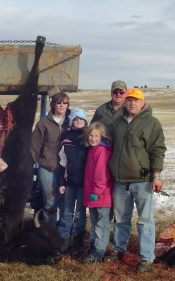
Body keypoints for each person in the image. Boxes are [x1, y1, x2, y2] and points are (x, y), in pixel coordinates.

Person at [105, 88, 166, 272]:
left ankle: (147, 257)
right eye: (129, 99)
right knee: (121, 219)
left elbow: (158, 151)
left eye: (136, 100)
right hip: (120, 181)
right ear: (125, 102)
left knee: (144, 220)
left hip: (142, 181)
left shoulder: (152, 123)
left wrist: (156, 176)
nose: (132, 103)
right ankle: (118, 250)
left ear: (142, 103)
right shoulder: (117, 123)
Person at [30, 92, 70, 227]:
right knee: (50, 204)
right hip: (48, 168)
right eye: (59, 102)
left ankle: (63, 239)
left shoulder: (72, 121)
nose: (62, 105)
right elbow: (34, 146)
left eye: (65, 103)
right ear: (53, 104)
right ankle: (49, 233)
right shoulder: (44, 123)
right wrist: (28, 165)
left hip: (67, 171)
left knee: (66, 205)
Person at [81, 122, 114, 263]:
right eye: (90, 135)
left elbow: (101, 174)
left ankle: (98, 252)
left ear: (102, 136)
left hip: (101, 196)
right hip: (93, 195)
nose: (93, 139)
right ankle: (93, 248)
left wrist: (97, 191)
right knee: (94, 224)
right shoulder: (92, 150)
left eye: (96, 136)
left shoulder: (102, 151)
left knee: (101, 225)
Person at [57, 107, 88, 256]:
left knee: (81, 214)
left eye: (81, 119)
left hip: (83, 183)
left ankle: (78, 242)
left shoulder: (89, 137)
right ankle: (63, 241)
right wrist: (61, 182)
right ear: (72, 122)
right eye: (76, 119)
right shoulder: (66, 137)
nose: (78, 122)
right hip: (69, 183)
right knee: (66, 212)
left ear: (85, 121)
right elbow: (62, 162)